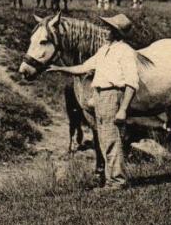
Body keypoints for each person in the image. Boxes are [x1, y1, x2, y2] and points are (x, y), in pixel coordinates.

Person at [47, 14, 139, 190]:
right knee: (104, 139)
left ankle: (117, 181)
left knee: (112, 138)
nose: (105, 32)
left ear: (117, 33)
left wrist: (123, 109)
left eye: (109, 29)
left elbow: (132, 83)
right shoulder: (104, 50)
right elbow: (84, 67)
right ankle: (110, 180)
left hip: (112, 95)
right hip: (100, 96)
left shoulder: (125, 51)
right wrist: (60, 68)